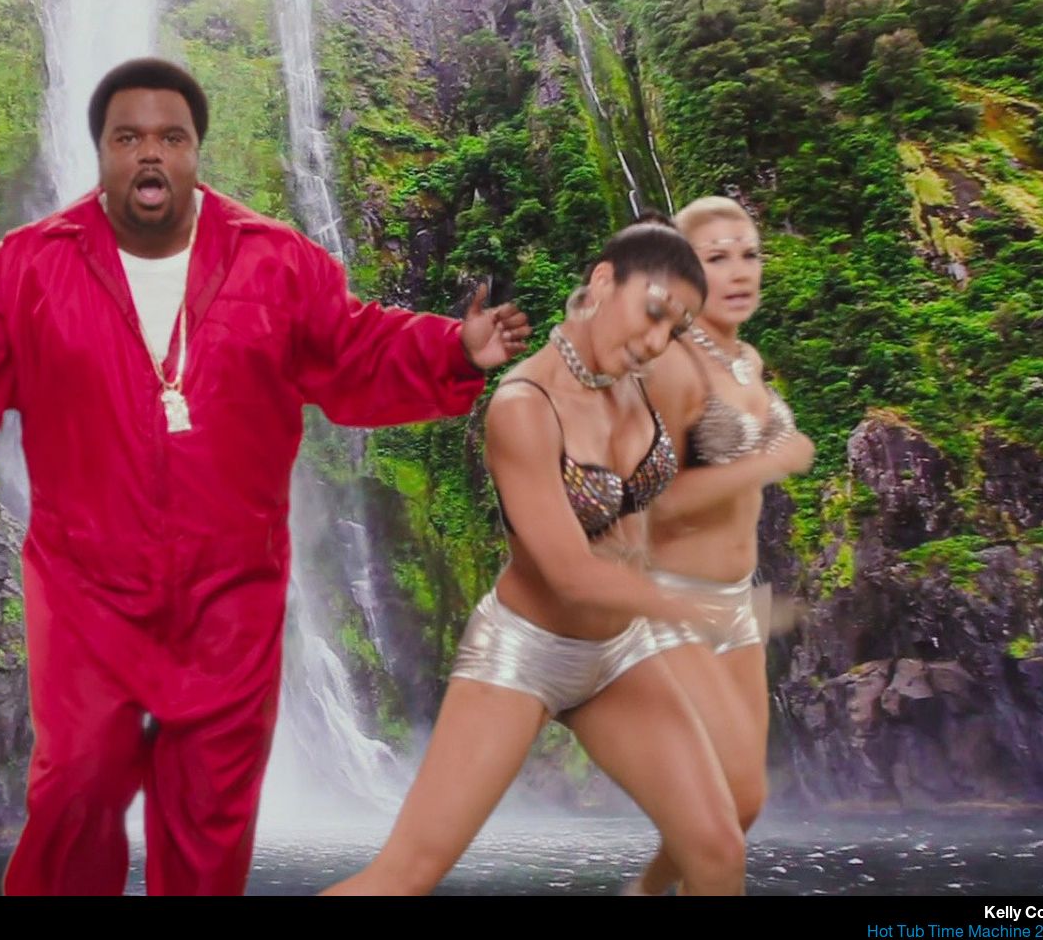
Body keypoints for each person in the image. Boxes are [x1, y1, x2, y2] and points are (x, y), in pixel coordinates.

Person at [0, 57, 533, 895]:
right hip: (86, 587)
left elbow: (352, 348)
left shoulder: (276, 262)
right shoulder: (29, 266)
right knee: (76, 787)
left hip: (231, 592)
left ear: (196, 150)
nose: (150, 153)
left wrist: (454, 349)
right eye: (127, 137)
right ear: (101, 152)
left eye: (170, 137)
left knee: (211, 813)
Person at [325, 219, 748, 896]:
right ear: (603, 282)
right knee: (404, 877)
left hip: (620, 654)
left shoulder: (643, 381)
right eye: (654, 312)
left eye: (675, 328)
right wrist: (690, 606)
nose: (656, 340)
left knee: (718, 852)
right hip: (526, 654)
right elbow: (570, 575)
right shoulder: (524, 406)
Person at [625, 195, 812, 896]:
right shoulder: (670, 365)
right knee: (717, 826)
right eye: (716, 258)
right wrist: (768, 462)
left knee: (744, 804)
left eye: (749, 254)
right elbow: (650, 502)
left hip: (739, 601)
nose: (739, 271)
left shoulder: (746, 360)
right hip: (673, 602)